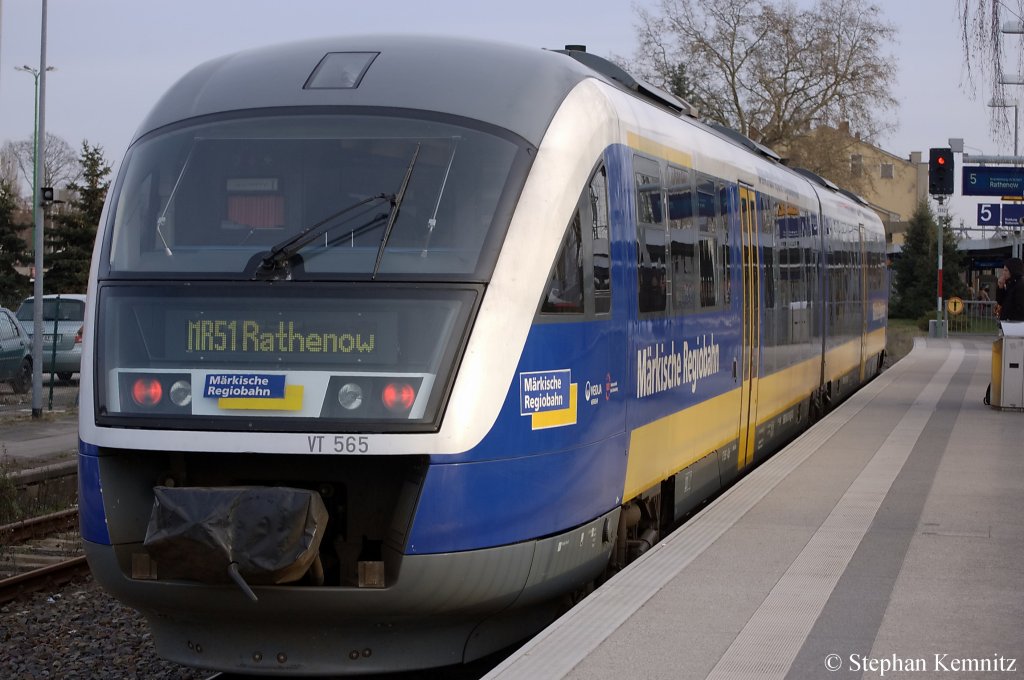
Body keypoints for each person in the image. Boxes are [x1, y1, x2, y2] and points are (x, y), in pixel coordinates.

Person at [995, 257, 1024, 321]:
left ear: (1013, 270)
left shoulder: (1020, 285)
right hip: (1007, 323)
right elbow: (1000, 301)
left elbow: (1020, 308)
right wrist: (1000, 287)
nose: (1003, 273)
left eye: (1006, 270)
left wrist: (1008, 317)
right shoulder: (1010, 284)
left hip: (1015, 324)